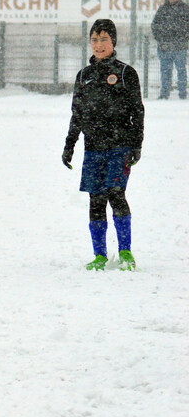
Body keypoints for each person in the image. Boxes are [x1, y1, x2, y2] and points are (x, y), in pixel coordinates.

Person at [62, 19, 144, 271]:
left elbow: (137, 111)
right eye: (94, 39)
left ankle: (126, 252)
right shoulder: (84, 76)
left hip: (120, 147)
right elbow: (77, 113)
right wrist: (70, 144)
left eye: (104, 39)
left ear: (114, 42)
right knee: (96, 200)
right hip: (93, 148)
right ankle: (100, 255)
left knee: (116, 195)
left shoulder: (124, 73)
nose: (98, 45)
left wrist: (136, 144)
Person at [150, 0, 189, 100]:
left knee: (181, 70)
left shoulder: (185, 9)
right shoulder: (162, 10)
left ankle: (182, 92)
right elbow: (154, 25)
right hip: (165, 47)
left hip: (180, 47)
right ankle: (164, 93)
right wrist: (160, 39)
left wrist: (184, 38)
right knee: (165, 71)